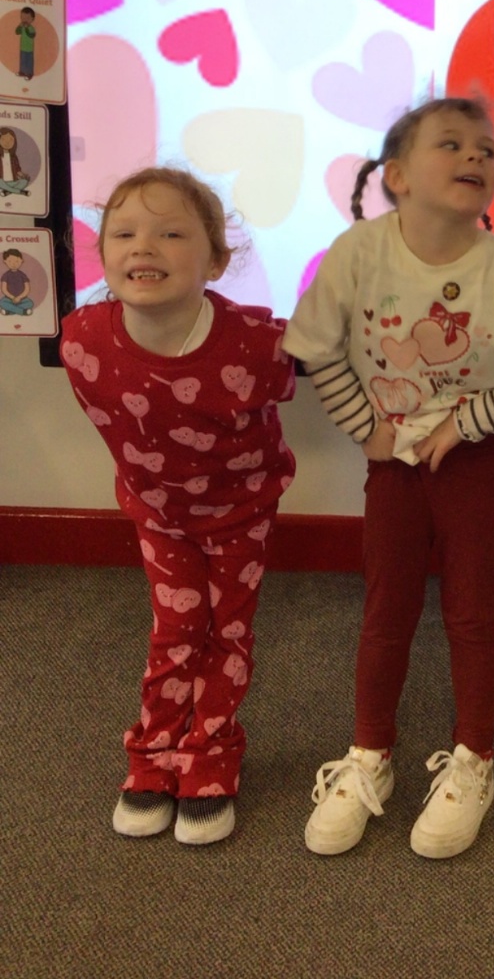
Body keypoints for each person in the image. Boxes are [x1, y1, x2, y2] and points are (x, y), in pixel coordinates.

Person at [287, 97, 494, 861]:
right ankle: (368, 755)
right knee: (385, 610)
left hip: (476, 465)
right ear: (397, 176)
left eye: (486, 148)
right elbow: (314, 346)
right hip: (393, 466)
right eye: (451, 144)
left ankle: (474, 758)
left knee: (471, 615)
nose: (476, 156)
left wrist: (468, 422)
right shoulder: (359, 251)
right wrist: (369, 431)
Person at [60, 167, 295, 845]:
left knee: (227, 633)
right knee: (174, 631)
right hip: (159, 518)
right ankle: (154, 754)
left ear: (216, 261)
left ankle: (212, 754)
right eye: (124, 234)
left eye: (170, 235)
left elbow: (291, 378)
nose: (143, 246)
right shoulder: (81, 340)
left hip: (241, 514)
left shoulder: (256, 344)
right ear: (104, 254)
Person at [1, 246, 34, 314]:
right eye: (10, 261)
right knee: (2, 302)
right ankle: (23, 311)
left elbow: (27, 288)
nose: (13, 264)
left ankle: (9, 311)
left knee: (30, 303)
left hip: (22, 299)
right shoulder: (5, 275)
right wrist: (12, 297)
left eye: (17, 261)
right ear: (5, 261)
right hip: (9, 299)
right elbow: (4, 289)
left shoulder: (23, 275)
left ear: (22, 261)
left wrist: (19, 297)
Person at [0, 126, 30, 196]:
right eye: (3, 139)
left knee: (24, 182)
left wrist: (23, 175)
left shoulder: (14, 157)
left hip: (12, 182)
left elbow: (17, 170)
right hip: (1, 182)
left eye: (11, 140)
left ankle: (7, 192)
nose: (7, 142)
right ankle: (21, 192)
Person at [15, 7, 36, 80]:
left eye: (27, 18)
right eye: (23, 18)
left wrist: (27, 28)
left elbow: (32, 35)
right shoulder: (22, 27)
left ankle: (29, 73)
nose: (25, 20)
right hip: (22, 47)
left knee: (29, 61)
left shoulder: (31, 28)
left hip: (29, 49)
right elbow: (17, 32)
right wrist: (20, 26)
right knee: (23, 60)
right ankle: (22, 71)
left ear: (32, 19)